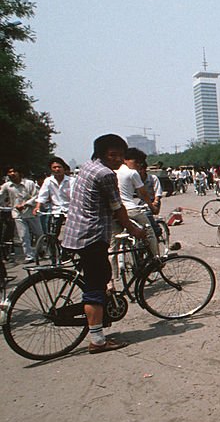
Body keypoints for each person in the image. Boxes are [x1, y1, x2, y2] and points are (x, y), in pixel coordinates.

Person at [61, 134, 147, 353]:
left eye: (121, 155)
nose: (118, 159)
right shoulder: (105, 174)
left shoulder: (87, 167)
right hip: (92, 235)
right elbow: (117, 208)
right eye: (112, 155)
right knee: (95, 286)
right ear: (101, 154)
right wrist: (135, 230)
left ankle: (100, 318)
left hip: (76, 231)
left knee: (102, 275)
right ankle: (98, 340)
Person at [115, 148, 159, 259]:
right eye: (136, 161)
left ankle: (115, 275)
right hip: (130, 210)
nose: (138, 165)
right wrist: (152, 207)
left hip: (114, 211)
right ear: (126, 160)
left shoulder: (113, 171)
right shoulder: (132, 173)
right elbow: (143, 193)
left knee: (114, 245)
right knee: (149, 232)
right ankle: (157, 259)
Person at [0, 166, 43, 262]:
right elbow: (1, 196)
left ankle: (40, 249)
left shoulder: (29, 183)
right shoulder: (7, 186)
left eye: (14, 171)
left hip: (31, 213)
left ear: (20, 173)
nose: (12, 174)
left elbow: (36, 196)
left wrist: (26, 204)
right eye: (9, 172)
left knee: (39, 234)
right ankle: (29, 256)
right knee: (23, 236)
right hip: (17, 214)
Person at [33, 156, 75, 236]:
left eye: (59, 167)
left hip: (70, 211)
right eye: (54, 167)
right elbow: (42, 195)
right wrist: (37, 207)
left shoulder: (71, 181)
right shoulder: (48, 181)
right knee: (52, 234)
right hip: (55, 211)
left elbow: (74, 196)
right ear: (51, 169)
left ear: (63, 168)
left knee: (72, 234)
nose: (57, 169)